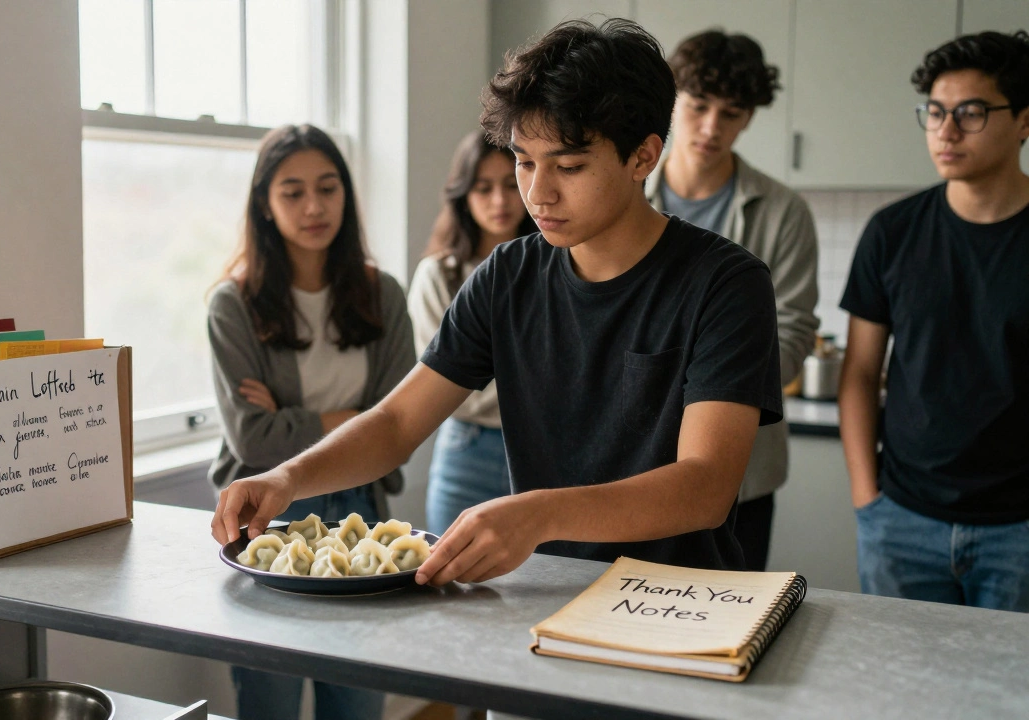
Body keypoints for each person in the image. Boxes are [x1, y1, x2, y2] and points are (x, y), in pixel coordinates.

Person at [213, 18, 781, 590]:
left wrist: (538, 513)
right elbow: (395, 422)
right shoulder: (508, 275)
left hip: (680, 600)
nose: (537, 193)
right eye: (524, 161)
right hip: (544, 590)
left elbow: (705, 486)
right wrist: (287, 478)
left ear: (643, 156)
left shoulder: (726, 283)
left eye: (569, 166)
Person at [206, 123, 414, 720]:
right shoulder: (233, 305)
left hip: (362, 511)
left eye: (328, 188)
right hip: (267, 514)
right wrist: (357, 419)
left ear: (347, 196)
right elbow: (252, 437)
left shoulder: (385, 295)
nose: (314, 206)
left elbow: (398, 427)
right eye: (292, 192)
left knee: (356, 696)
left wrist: (297, 419)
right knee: (269, 697)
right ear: (265, 206)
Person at [839, 30, 1029, 611]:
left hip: (1019, 528)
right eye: (936, 112)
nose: (946, 131)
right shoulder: (892, 232)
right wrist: (866, 497)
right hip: (900, 518)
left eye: (970, 113)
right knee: (899, 695)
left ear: (1024, 121)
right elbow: (860, 373)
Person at [646, 30, 819, 571]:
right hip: (630, 464)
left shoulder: (783, 211)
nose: (710, 127)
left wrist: (716, 392)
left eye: (732, 113)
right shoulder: (622, 194)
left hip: (743, 477)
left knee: (729, 628)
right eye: (698, 106)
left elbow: (791, 332)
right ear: (673, 100)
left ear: (749, 117)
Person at [408, 130, 537, 536]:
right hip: (467, 449)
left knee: (552, 581)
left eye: (507, 184)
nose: (499, 201)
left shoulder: (554, 264)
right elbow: (441, 385)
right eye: (483, 188)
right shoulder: (439, 273)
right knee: (453, 581)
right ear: (463, 194)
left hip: (542, 444)